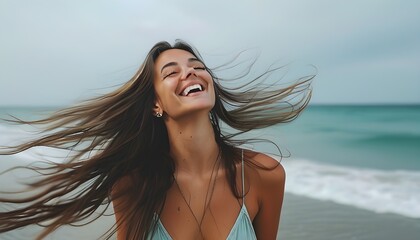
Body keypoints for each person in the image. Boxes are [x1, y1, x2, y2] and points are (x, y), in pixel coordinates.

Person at [0, 40, 313, 240]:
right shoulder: (133, 184)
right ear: (155, 104)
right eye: (171, 72)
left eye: (197, 67)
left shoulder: (262, 174)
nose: (190, 74)